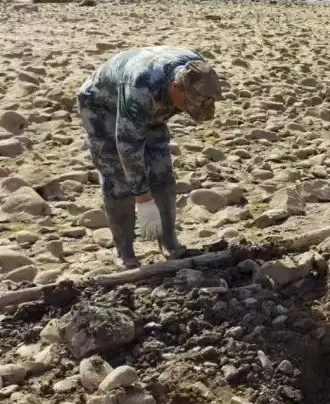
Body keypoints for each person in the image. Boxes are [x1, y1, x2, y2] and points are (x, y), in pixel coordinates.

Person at [77, 47, 223, 269]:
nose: (189, 111)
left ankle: (169, 243)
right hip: (103, 104)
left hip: (152, 105)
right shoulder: (141, 88)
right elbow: (127, 146)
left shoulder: (199, 71)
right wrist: (143, 199)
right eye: (188, 106)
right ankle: (125, 254)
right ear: (176, 88)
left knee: (161, 172)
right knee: (118, 176)